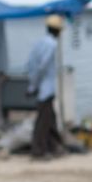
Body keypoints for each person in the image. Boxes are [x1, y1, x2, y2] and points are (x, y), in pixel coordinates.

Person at [27, 14, 67, 160]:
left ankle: (54, 146)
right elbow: (42, 66)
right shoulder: (51, 45)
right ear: (56, 30)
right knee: (43, 122)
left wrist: (32, 84)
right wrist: (33, 86)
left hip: (45, 88)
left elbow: (31, 64)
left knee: (50, 119)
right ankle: (38, 150)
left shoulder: (40, 43)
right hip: (45, 89)